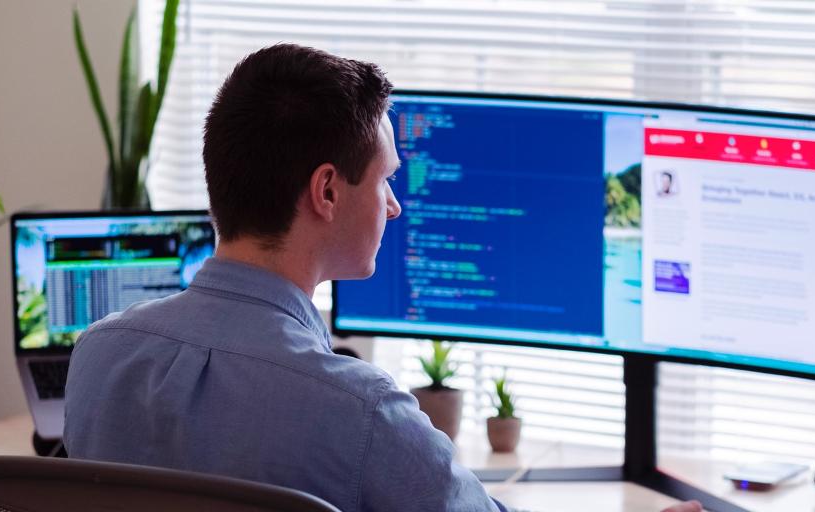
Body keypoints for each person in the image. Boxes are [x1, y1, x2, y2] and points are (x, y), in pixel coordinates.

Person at [64, 44, 701, 512]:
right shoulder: (363, 411)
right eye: (386, 178)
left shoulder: (98, 357)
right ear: (327, 192)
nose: (395, 205)